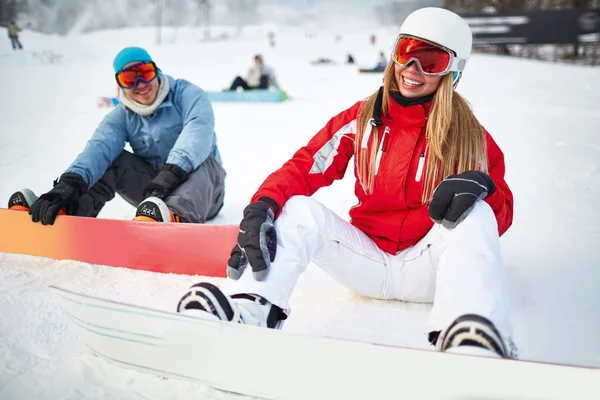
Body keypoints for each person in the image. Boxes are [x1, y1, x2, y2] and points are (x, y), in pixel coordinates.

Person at [177, 8, 516, 358]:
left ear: (453, 70)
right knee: (296, 208)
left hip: (427, 265)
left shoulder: (469, 137)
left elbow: (500, 216)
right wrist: (261, 206)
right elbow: (305, 166)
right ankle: (252, 308)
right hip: (366, 259)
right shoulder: (363, 119)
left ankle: (472, 332)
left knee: (476, 214)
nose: (412, 69)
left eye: (430, 61)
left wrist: (483, 192)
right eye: (406, 52)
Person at [8, 46, 225, 225]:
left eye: (145, 73)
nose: (140, 85)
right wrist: (69, 184)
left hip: (205, 194)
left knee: (203, 159)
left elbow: (198, 131)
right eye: (129, 78)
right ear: (119, 84)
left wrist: (172, 172)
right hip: (155, 197)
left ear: (157, 71)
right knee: (113, 160)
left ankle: (175, 218)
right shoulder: (122, 115)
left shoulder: (188, 94)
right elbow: (99, 148)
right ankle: (68, 212)